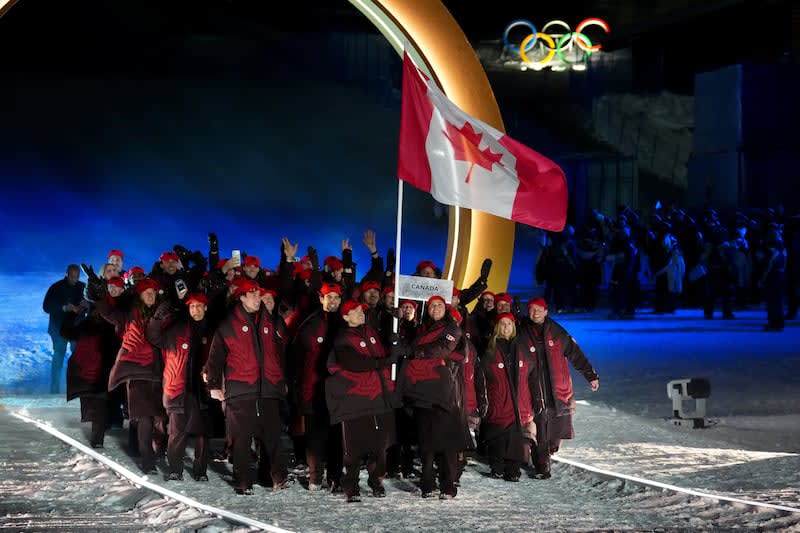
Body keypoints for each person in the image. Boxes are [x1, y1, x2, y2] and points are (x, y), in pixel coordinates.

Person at [204, 279, 291, 495]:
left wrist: (281, 381)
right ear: (241, 297)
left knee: (273, 436)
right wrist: (213, 384)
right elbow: (215, 358)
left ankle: (277, 477)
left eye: (258, 293)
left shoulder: (269, 321)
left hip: (269, 388)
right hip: (240, 390)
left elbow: (278, 355)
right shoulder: (228, 324)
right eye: (252, 294)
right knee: (242, 440)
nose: (257, 297)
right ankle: (243, 481)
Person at [517, 297, 599, 479]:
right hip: (533, 387)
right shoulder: (522, 331)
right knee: (539, 424)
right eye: (531, 310)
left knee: (554, 428)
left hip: (556, 388)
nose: (535, 313)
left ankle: (546, 453)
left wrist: (590, 375)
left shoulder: (557, 332)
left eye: (539, 310)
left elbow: (575, 354)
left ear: (546, 312)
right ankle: (542, 465)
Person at [325, 300, 399, 502]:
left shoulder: (371, 332)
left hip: (378, 398)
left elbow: (386, 352)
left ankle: (376, 482)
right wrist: (384, 362)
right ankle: (351, 487)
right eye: (355, 311)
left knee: (379, 447)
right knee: (354, 449)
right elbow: (354, 363)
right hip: (356, 400)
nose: (360, 313)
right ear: (345, 317)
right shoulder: (343, 338)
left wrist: (393, 342)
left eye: (361, 310)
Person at [400, 295, 468, 499]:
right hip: (421, 389)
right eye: (432, 306)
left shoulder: (452, 328)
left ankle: (448, 485)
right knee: (426, 439)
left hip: (442, 390)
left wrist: (414, 352)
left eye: (439, 305)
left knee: (446, 440)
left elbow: (442, 349)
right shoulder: (422, 329)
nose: (435, 308)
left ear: (445, 308)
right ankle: (427, 483)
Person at [147, 293, 214, 481]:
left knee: (203, 434)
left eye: (199, 306)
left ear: (205, 308)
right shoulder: (176, 329)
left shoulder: (212, 330)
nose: (195, 310)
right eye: (192, 307)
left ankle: (200, 471)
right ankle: (175, 469)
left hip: (202, 391)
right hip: (178, 388)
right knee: (177, 432)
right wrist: (157, 319)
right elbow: (154, 337)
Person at [475, 313, 536, 482]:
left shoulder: (522, 348)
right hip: (499, 399)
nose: (506, 327)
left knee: (516, 437)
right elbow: (481, 377)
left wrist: (536, 399)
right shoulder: (490, 351)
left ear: (513, 326)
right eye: (502, 324)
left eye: (509, 324)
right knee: (498, 434)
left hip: (519, 401)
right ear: (497, 328)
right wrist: (483, 400)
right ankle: (497, 467)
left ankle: (513, 469)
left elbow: (533, 375)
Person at [43, 264, 87, 393]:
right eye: (72, 276)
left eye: (77, 277)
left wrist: (86, 305)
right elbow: (46, 307)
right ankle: (54, 389)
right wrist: (63, 307)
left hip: (76, 328)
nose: (75, 279)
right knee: (58, 356)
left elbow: (93, 305)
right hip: (58, 328)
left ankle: (77, 388)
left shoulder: (83, 287)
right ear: (66, 274)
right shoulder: (56, 287)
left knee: (78, 358)